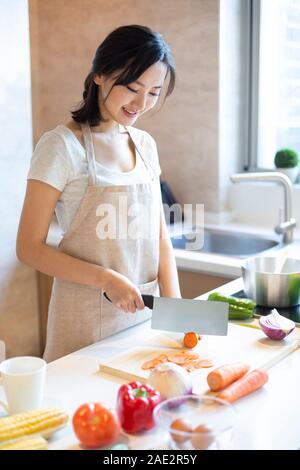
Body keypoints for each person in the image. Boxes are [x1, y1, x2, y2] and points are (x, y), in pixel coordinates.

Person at [16, 24, 181, 362]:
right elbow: (28, 248)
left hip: (142, 324)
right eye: (133, 88)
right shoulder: (60, 146)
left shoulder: (145, 145)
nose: (141, 103)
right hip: (83, 326)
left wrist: (175, 310)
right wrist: (105, 279)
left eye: (153, 92)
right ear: (99, 76)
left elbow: (159, 236)